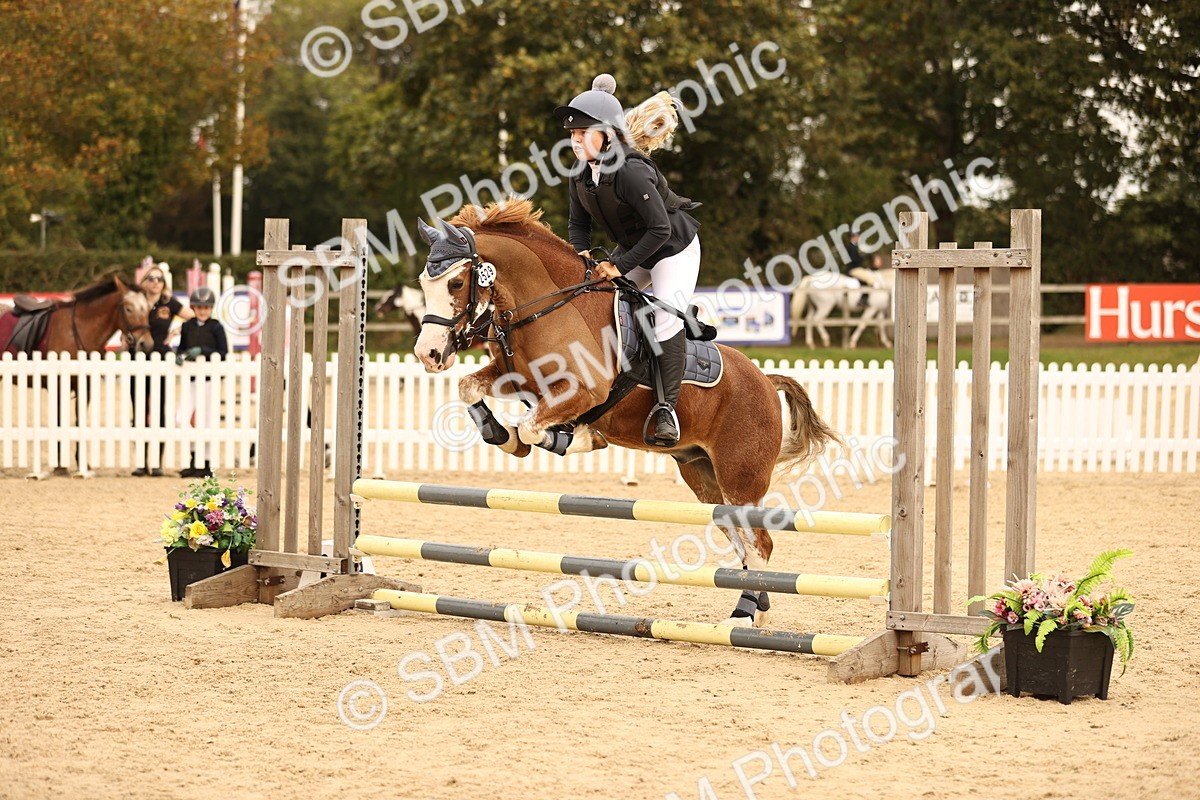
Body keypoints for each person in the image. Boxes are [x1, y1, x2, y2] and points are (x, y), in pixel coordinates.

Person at [555, 74, 701, 447]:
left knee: (666, 316)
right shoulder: (579, 175)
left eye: (584, 133)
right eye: (572, 135)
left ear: (607, 135)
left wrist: (618, 267)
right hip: (637, 247)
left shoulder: (631, 171)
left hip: (673, 249)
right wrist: (582, 253)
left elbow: (659, 230)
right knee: (593, 301)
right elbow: (577, 224)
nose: (575, 141)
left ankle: (667, 409)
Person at [130, 263, 194, 476]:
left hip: (162, 360)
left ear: (163, 282)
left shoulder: (169, 303)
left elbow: (193, 317)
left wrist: (177, 330)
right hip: (137, 359)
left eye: (159, 279)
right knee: (139, 409)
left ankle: (157, 462)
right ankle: (141, 462)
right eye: (151, 278)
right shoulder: (136, 300)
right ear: (145, 281)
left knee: (160, 410)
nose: (155, 282)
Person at [176, 286, 228, 478]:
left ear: (211, 308)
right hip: (191, 380)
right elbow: (181, 347)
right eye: (199, 307)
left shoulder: (216, 326)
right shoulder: (187, 326)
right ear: (193, 307)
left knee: (206, 421)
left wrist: (203, 350)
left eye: (206, 307)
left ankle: (205, 463)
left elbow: (223, 353)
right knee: (181, 419)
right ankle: (193, 457)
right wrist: (179, 356)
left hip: (210, 381)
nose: (203, 311)